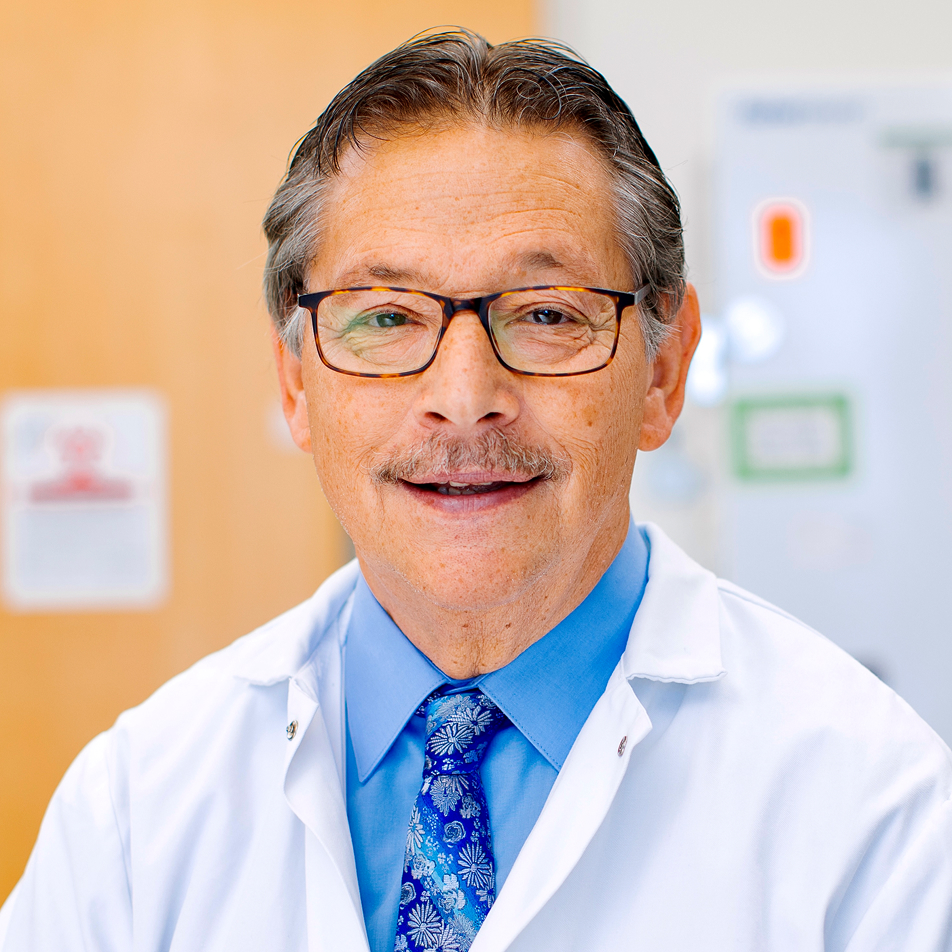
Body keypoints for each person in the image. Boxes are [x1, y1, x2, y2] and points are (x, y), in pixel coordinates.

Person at [2, 28, 950, 952]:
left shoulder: (877, 811)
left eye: (545, 315)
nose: (462, 402)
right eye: (385, 317)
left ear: (663, 373)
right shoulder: (136, 810)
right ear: (298, 384)